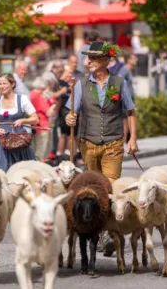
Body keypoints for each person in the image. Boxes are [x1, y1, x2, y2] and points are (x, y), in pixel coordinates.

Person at [65, 41, 138, 256]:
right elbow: (72, 113)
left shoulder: (119, 82)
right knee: (92, 189)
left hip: (114, 142)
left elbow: (131, 111)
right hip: (88, 142)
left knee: (111, 187)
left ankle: (108, 232)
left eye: (93, 58)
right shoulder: (80, 85)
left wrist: (132, 139)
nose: (88, 61)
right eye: (88, 58)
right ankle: (93, 227)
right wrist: (69, 118)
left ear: (106, 60)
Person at [0, 73, 39, 172]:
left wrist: (23, 120)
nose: (2, 86)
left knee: (22, 171)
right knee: (2, 170)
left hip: (19, 140)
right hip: (2, 142)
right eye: (0, 84)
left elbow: (36, 119)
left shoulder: (22, 99)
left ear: (13, 84)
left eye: (4, 83)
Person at [30, 77, 55, 160]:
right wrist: (53, 107)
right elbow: (49, 113)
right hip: (42, 127)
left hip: (34, 126)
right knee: (40, 152)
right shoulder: (39, 96)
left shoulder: (31, 94)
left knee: (35, 150)